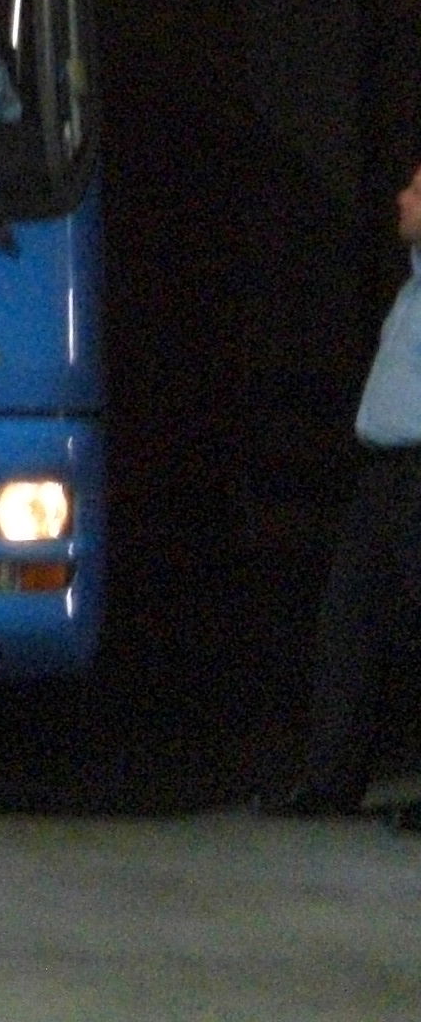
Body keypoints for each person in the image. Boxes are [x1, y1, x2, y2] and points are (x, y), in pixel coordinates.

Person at [259, 161, 421, 825]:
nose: (401, 195)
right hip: (386, 475)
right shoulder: (412, 285)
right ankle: (331, 780)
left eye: (416, 187)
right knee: (351, 621)